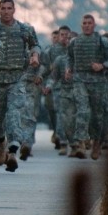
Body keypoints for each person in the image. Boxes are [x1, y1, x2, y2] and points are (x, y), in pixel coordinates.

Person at [0, 0, 41, 172]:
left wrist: (34, 56)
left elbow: (35, 45)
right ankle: (1, 142)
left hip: (17, 78)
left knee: (14, 113)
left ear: (14, 9)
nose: (5, 11)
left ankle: (12, 151)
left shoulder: (24, 29)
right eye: (2, 8)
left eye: (9, 8)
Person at [65, 14, 108, 160]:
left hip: (97, 82)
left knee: (97, 116)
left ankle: (96, 143)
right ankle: (81, 142)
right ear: (81, 26)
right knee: (82, 110)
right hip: (80, 80)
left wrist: (102, 66)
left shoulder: (102, 41)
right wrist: (69, 69)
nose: (87, 25)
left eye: (89, 23)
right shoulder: (75, 42)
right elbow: (69, 57)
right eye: (84, 23)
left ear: (94, 25)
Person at [42, 25, 72, 155]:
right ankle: (62, 140)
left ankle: (74, 141)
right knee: (59, 114)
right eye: (62, 35)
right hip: (57, 87)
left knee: (72, 116)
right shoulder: (51, 51)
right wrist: (44, 83)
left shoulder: (74, 49)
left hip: (75, 87)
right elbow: (44, 67)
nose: (64, 37)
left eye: (67, 35)